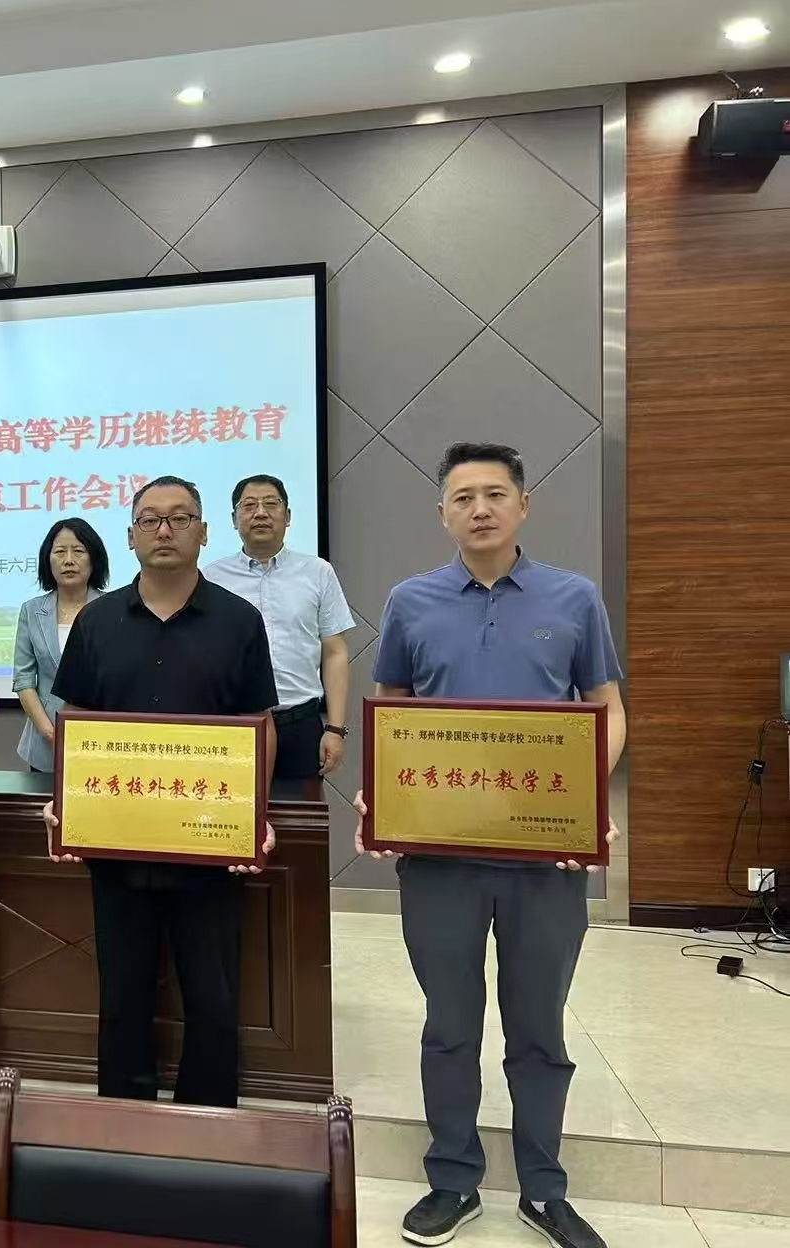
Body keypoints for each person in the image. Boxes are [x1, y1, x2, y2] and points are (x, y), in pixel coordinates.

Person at [354, 443, 624, 1248]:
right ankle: (452, 1179)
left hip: (543, 859)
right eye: (463, 496)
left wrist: (584, 797)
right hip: (439, 858)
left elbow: (605, 705)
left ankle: (543, 1189)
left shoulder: (573, 598)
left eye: (495, 493)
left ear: (522, 505)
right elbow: (390, 703)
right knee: (448, 1023)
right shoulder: (410, 601)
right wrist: (383, 794)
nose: (479, 508)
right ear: (442, 513)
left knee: (538, 1027)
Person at [44, 476, 279, 1108]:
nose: (165, 529)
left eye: (180, 518)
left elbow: (258, 724)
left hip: (210, 844)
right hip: (117, 846)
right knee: (122, 992)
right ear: (130, 537)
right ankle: (125, 1121)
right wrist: (66, 803)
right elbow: (77, 722)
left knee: (212, 994)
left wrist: (254, 815)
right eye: (150, 519)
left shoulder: (239, 620)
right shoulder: (97, 621)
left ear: (204, 532)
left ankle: (207, 1124)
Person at [203, 474, 355, 781]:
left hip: (301, 724)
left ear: (288, 516)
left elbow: (335, 652)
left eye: (271, 504)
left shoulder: (318, 572)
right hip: (235, 725)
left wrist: (335, 728)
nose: (260, 513)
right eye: (249, 505)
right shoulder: (211, 578)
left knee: (300, 811)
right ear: (234, 519)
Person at [12, 518, 108, 773]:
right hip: (45, 743)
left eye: (78, 551)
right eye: (59, 552)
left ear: (94, 558)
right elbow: (23, 680)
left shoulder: (113, 609)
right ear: (48, 560)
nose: (68, 560)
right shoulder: (32, 610)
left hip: (100, 740)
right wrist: (50, 733)